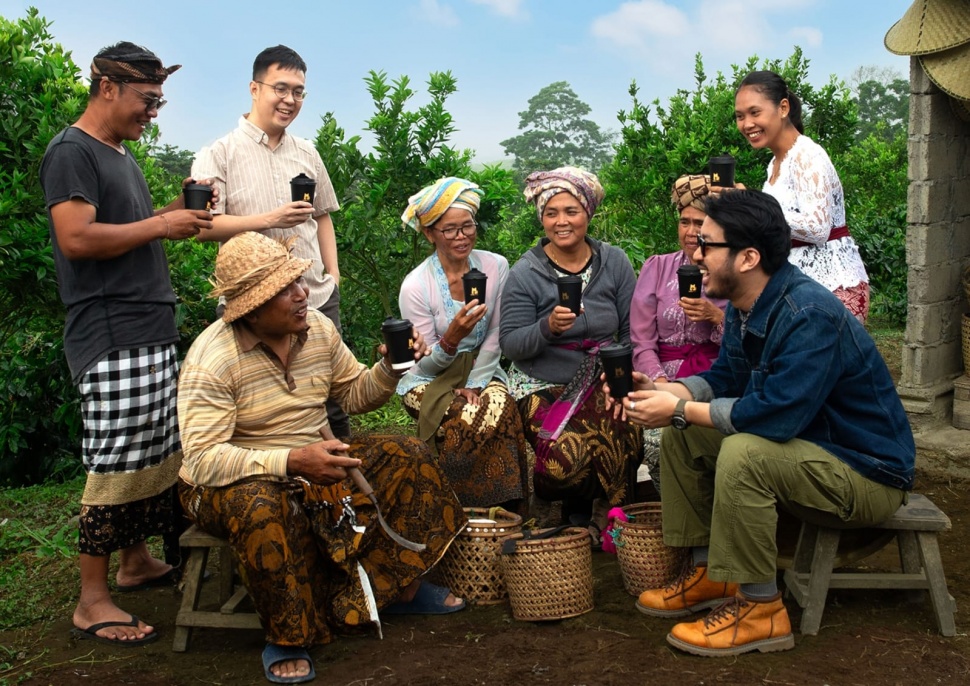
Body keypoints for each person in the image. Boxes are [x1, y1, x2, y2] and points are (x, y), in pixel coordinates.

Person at [618, 189, 914, 657]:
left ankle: (761, 610)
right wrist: (668, 394)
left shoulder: (808, 313)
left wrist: (677, 408)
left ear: (748, 257)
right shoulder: (745, 302)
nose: (695, 253)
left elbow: (775, 416)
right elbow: (725, 377)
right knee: (686, 433)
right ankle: (713, 574)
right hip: (812, 450)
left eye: (708, 244)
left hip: (866, 471)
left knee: (743, 451)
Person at [177, 231, 466, 684]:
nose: (301, 295)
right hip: (232, 479)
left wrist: (390, 367)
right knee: (259, 506)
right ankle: (288, 636)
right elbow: (203, 461)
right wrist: (292, 460)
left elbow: (353, 394)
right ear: (251, 309)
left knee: (406, 454)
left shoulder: (317, 328)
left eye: (299, 282)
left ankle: (397, 589)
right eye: (285, 291)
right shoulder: (212, 360)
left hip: (312, 457)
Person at [39, 41, 215, 645]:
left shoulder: (119, 153)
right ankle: (91, 600)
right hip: (110, 332)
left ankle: (134, 562)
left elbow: (127, 232)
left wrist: (175, 212)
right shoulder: (71, 152)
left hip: (147, 325)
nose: (153, 113)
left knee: (153, 451)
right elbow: (78, 239)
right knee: (115, 461)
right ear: (107, 87)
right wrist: (164, 223)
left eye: (159, 101)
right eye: (147, 100)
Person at [191, 44, 351, 440]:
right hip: (254, 305)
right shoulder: (219, 154)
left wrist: (333, 274)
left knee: (332, 399)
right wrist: (270, 219)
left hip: (315, 295)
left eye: (298, 91)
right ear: (254, 88)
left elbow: (323, 214)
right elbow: (202, 227)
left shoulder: (307, 152)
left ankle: (342, 491)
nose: (290, 100)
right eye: (281, 88)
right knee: (259, 404)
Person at [499, 166, 641, 546]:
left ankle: (606, 512)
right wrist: (549, 327)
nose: (561, 222)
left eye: (571, 211)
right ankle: (551, 496)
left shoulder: (614, 262)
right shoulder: (526, 273)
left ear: (588, 214)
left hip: (602, 376)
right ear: (542, 218)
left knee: (626, 426)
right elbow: (511, 344)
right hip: (543, 381)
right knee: (563, 462)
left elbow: (632, 330)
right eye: (551, 213)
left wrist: (621, 376)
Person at [397, 177, 529, 509]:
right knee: (468, 415)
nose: (462, 237)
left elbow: (498, 332)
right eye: (450, 230)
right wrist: (451, 339)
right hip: (429, 378)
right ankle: (459, 508)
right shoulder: (416, 287)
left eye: (467, 227)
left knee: (500, 407)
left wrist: (474, 382)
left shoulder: (495, 266)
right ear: (429, 233)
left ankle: (507, 509)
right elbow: (422, 364)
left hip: (482, 368)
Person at [734, 70, 870, 323]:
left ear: (783, 108)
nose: (747, 124)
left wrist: (754, 204)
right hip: (797, 284)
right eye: (740, 116)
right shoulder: (776, 162)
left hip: (830, 284)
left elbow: (817, 229)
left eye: (755, 113)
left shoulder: (807, 155)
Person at [630, 174, 728, 489]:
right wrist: (658, 383)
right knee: (651, 440)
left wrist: (715, 317)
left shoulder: (729, 270)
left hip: (716, 375)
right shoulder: (657, 267)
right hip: (660, 375)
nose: (690, 231)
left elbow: (746, 340)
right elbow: (641, 339)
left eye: (699, 223)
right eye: (684, 221)